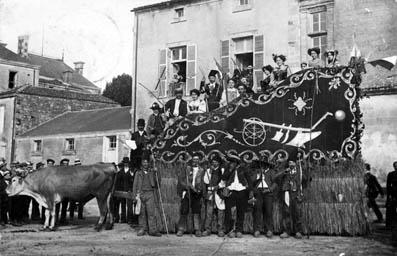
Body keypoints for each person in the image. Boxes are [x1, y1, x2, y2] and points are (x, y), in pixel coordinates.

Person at [222, 155, 252, 238]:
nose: (231, 163)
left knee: (240, 211)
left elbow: (249, 180)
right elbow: (224, 178)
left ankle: (239, 230)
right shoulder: (228, 169)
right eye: (231, 162)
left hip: (241, 191)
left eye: (233, 162)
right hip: (231, 191)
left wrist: (250, 191)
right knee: (230, 212)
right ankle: (230, 230)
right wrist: (230, 170)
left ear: (236, 163)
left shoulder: (243, 169)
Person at [132, 155, 162, 237]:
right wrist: (134, 196)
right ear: (141, 164)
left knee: (151, 213)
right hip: (141, 194)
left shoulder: (152, 172)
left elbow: (158, 183)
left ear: (149, 163)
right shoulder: (138, 173)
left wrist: (157, 173)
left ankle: (152, 230)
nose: (145, 164)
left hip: (150, 194)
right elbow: (134, 185)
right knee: (142, 213)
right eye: (144, 162)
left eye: (147, 162)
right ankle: (142, 229)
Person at [176, 153, 205, 237]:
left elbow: (203, 182)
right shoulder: (187, 168)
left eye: (197, 159)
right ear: (192, 160)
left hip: (196, 193)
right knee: (184, 210)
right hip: (187, 191)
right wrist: (186, 186)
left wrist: (200, 190)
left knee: (196, 211)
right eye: (194, 159)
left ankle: (197, 229)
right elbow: (181, 180)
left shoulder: (202, 170)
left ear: (199, 161)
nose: (195, 160)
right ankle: (181, 229)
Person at [278, 160, 306, 239]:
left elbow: (306, 179)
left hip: (296, 193)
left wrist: (303, 171)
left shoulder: (299, 172)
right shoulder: (286, 172)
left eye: (292, 162)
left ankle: (298, 231)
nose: (291, 164)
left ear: (296, 163)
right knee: (286, 212)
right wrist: (284, 172)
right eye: (289, 163)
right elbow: (277, 177)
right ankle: (286, 231)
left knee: (297, 212)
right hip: (287, 193)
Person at [251, 159, 278, 238]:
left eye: (263, 164)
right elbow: (252, 182)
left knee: (268, 211)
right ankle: (256, 229)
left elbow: (275, 183)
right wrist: (258, 176)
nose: (262, 166)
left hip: (268, 193)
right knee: (257, 211)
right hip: (258, 193)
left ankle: (269, 230)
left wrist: (269, 189)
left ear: (267, 165)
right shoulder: (257, 172)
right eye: (260, 164)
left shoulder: (271, 172)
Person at [202, 155, 226, 237]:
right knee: (209, 212)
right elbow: (205, 181)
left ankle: (220, 230)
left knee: (220, 212)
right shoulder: (209, 170)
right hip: (210, 192)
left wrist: (218, 186)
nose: (214, 163)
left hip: (219, 192)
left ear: (219, 163)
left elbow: (224, 181)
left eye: (215, 162)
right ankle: (207, 229)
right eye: (213, 162)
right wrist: (209, 172)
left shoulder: (222, 170)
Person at [114, 157, 134, 224]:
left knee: (129, 206)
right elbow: (118, 182)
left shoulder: (131, 171)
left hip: (129, 191)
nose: (126, 164)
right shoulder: (120, 172)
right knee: (123, 205)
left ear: (128, 163)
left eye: (127, 163)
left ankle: (129, 219)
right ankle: (123, 219)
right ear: (123, 163)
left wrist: (130, 189)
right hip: (122, 191)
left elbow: (132, 182)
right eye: (125, 163)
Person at [56, 158, 70, 225]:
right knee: (57, 207)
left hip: (66, 192)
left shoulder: (69, 173)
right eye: (64, 164)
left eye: (67, 164)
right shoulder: (57, 172)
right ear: (61, 164)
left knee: (64, 207)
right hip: (58, 192)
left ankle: (63, 220)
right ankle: (55, 220)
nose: (65, 165)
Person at [386, 161, 397, 228]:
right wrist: (389, 195)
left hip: (394, 192)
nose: (396, 167)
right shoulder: (391, 174)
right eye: (395, 166)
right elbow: (388, 185)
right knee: (391, 208)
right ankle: (391, 224)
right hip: (393, 193)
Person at [0, 158, 10, 227]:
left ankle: (4, 220)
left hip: (4, 193)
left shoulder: (3, 174)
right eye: (4, 166)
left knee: (5, 207)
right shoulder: (1, 175)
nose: (5, 168)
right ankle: (1, 221)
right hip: (1, 193)